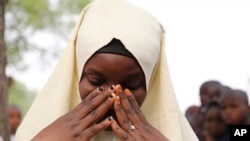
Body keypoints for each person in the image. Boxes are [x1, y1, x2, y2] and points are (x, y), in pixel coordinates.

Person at [15, 0, 198, 140]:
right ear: (77, 72)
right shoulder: (41, 133)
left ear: (151, 82)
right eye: (95, 81)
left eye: (132, 85)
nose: (113, 98)